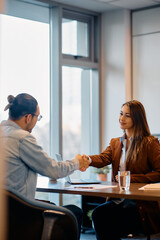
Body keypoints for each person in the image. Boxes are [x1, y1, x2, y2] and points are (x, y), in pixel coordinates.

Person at [1, 93, 90, 239]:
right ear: (28, 117)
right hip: (19, 217)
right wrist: (77, 162)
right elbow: (53, 170)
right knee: (74, 211)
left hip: (5, 214)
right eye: (38, 117)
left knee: (50, 203)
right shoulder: (22, 138)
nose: (37, 121)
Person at [80, 100, 160, 240]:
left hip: (139, 204)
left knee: (105, 219)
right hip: (119, 201)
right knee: (99, 214)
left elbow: (159, 173)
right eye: (121, 113)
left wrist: (132, 178)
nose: (121, 118)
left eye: (127, 115)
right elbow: (103, 158)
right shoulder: (116, 142)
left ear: (137, 118)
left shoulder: (150, 142)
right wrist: (88, 159)